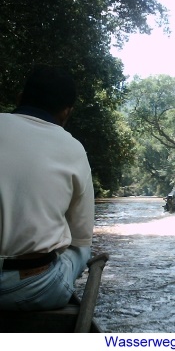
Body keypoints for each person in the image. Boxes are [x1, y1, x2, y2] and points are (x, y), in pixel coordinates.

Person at [0, 65, 94, 311]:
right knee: (80, 249)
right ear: (66, 112)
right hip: (27, 287)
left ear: (20, 98)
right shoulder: (73, 148)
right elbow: (81, 237)